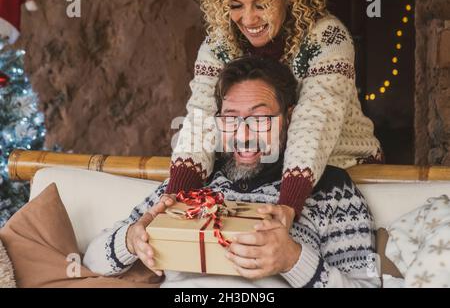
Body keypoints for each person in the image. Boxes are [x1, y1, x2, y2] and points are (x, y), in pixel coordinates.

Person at [83, 57, 380, 288]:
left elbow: (367, 283)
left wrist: (292, 259)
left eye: (260, 118)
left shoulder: (330, 189)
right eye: (231, 118)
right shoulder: (191, 185)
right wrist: (130, 241)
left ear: (289, 118)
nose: (243, 134)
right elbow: (91, 259)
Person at [164, 0, 383, 227]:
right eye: (236, 6)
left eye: (261, 5)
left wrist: (288, 205)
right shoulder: (219, 42)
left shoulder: (327, 37)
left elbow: (314, 122)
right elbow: (201, 115)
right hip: (265, 174)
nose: (248, 19)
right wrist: (176, 195)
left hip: (340, 169)